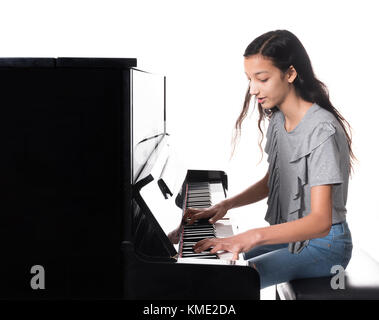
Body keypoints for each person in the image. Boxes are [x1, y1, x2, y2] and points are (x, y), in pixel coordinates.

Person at [183, 30, 356, 289]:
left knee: (229, 282)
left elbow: (320, 222)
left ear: (290, 74)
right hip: (295, 236)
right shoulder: (278, 120)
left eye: (262, 79)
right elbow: (272, 181)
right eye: (249, 79)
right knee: (214, 263)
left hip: (326, 245)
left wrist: (252, 236)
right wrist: (226, 205)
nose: (253, 89)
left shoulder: (321, 130)